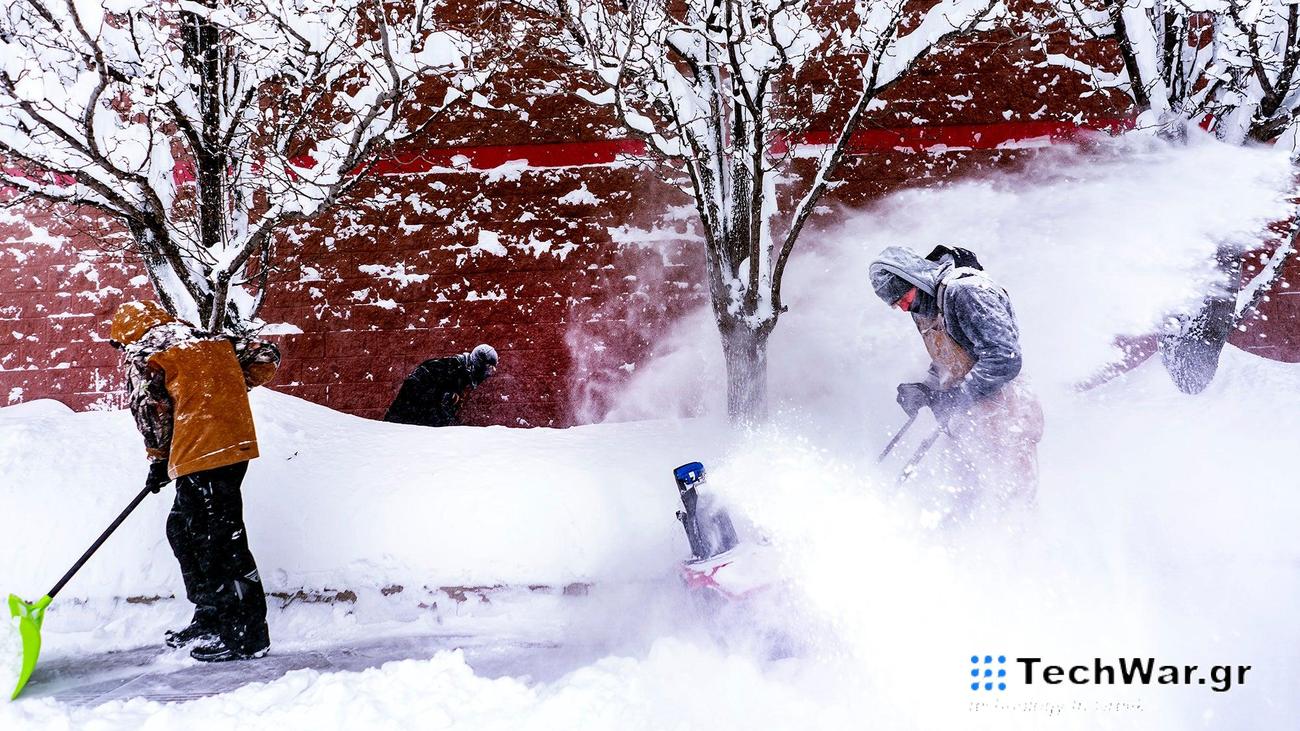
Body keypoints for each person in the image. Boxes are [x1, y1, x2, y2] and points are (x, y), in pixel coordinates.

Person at [109, 300, 281, 662]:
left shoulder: (145, 352)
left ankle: (246, 635)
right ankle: (211, 616)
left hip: (202, 451)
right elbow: (266, 355)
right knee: (184, 531)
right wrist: (219, 390)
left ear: (124, 335)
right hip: (230, 446)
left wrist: (158, 458)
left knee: (219, 541)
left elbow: (149, 409)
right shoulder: (207, 339)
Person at [868, 245, 1043, 506]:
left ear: (915, 278)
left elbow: (1004, 358)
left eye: (903, 296)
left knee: (1010, 498)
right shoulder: (926, 308)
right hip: (968, 415)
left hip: (1005, 411)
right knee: (962, 493)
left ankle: (1017, 532)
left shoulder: (966, 292)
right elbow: (951, 357)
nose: (902, 306)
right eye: (894, 303)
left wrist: (957, 396)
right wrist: (927, 389)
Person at [384, 344, 499, 427]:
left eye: (492, 369)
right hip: (404, 423)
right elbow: (419, 393)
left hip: (412, 424)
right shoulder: (448, 369)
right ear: (478, 363)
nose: (488, 373)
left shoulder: (459, 372)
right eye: (488, 367)